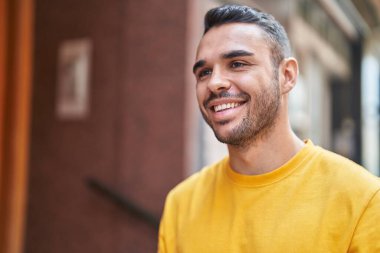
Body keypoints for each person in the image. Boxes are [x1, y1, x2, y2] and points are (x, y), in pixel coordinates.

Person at [158, 4, 380, 253]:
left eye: (238, 63)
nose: (215, 82)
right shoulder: (181, 204)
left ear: (286, 75)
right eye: (204, 72)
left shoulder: (363, 201)